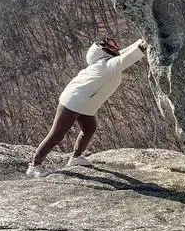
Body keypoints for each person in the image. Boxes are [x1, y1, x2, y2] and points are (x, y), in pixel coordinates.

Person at [26, 35, 147, 178]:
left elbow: (123, 52)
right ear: (104, 52)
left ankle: (76, 158)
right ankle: (34, 166)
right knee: (56, 135)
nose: (115, 47)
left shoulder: (106, 60)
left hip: (84, 103)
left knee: (89, 128)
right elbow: (122, 60)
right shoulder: (105, 65)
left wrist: (140, 41)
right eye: (111, 46)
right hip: (72, 101)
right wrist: (141, 48)